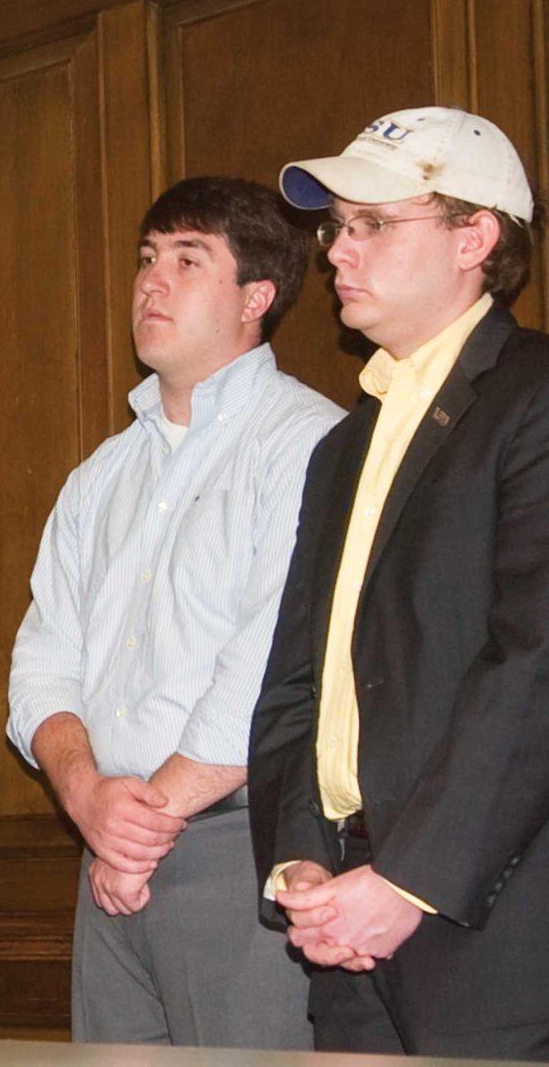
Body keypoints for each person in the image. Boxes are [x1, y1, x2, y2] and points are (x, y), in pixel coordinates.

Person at [8, 177, 343, 1047]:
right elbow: (42, 661)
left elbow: (274, 660)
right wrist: (86, 799)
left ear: (256, 298)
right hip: (106, 853)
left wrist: (140, 824)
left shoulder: (308, 443)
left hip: (241, 849)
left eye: (188, 261)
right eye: (148, 259)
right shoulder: (100, 477)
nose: (151, 282)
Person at [248, 106, 547, 1059]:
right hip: (345, 900)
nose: (338, 249)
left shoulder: (534, 398)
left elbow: (534, 664)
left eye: (373, 223)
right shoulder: (343, 445)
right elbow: (301, 672)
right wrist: (300, 857)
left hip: (492, 908)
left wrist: (410, 879)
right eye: (336, 226)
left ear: (474, 236)